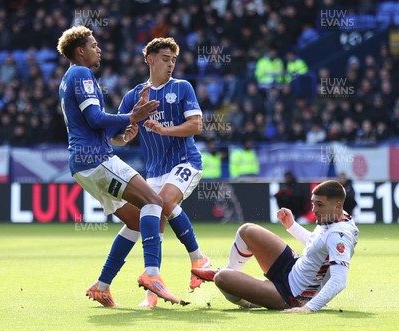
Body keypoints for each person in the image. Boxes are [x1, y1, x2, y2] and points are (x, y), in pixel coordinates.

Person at [56, 26, 184, 306]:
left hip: (83, 164)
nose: (98, 49)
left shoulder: (68, 78)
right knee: (154, 201)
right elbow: (94, 117)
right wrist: (132, 115)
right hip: (95, 160)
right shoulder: (81, 73)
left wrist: (123, 131)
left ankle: (102, 286)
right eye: (93, 45)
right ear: (80, 51)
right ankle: (152, 274)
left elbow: (90, 125)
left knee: (140, 221)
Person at [107, 37, 211, 308]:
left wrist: (165, 130)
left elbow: (196, 125)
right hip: (154, 170)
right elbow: (117, 137)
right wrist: (125, 137)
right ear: (149, 59)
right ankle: (153, 291)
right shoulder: (133, 97)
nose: (170, 65)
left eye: (173, 60)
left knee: (161, 204)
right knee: (150, 222)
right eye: (165, 59)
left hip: (185, 162)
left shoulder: (182, 87)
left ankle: (196, 260)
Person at [192, 180, 359, 312]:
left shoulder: (340, 235)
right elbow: (317, 246)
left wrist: (310, 307)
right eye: (313, 203)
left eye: (319, 205)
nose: (314, 209)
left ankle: (252, 301)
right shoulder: (337, 216)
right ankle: (231, 270)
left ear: (337, 205)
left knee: (222, 279)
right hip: (293, 266)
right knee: (247, 230)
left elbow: (339, 280)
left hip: (291, 294)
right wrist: (291, 226)